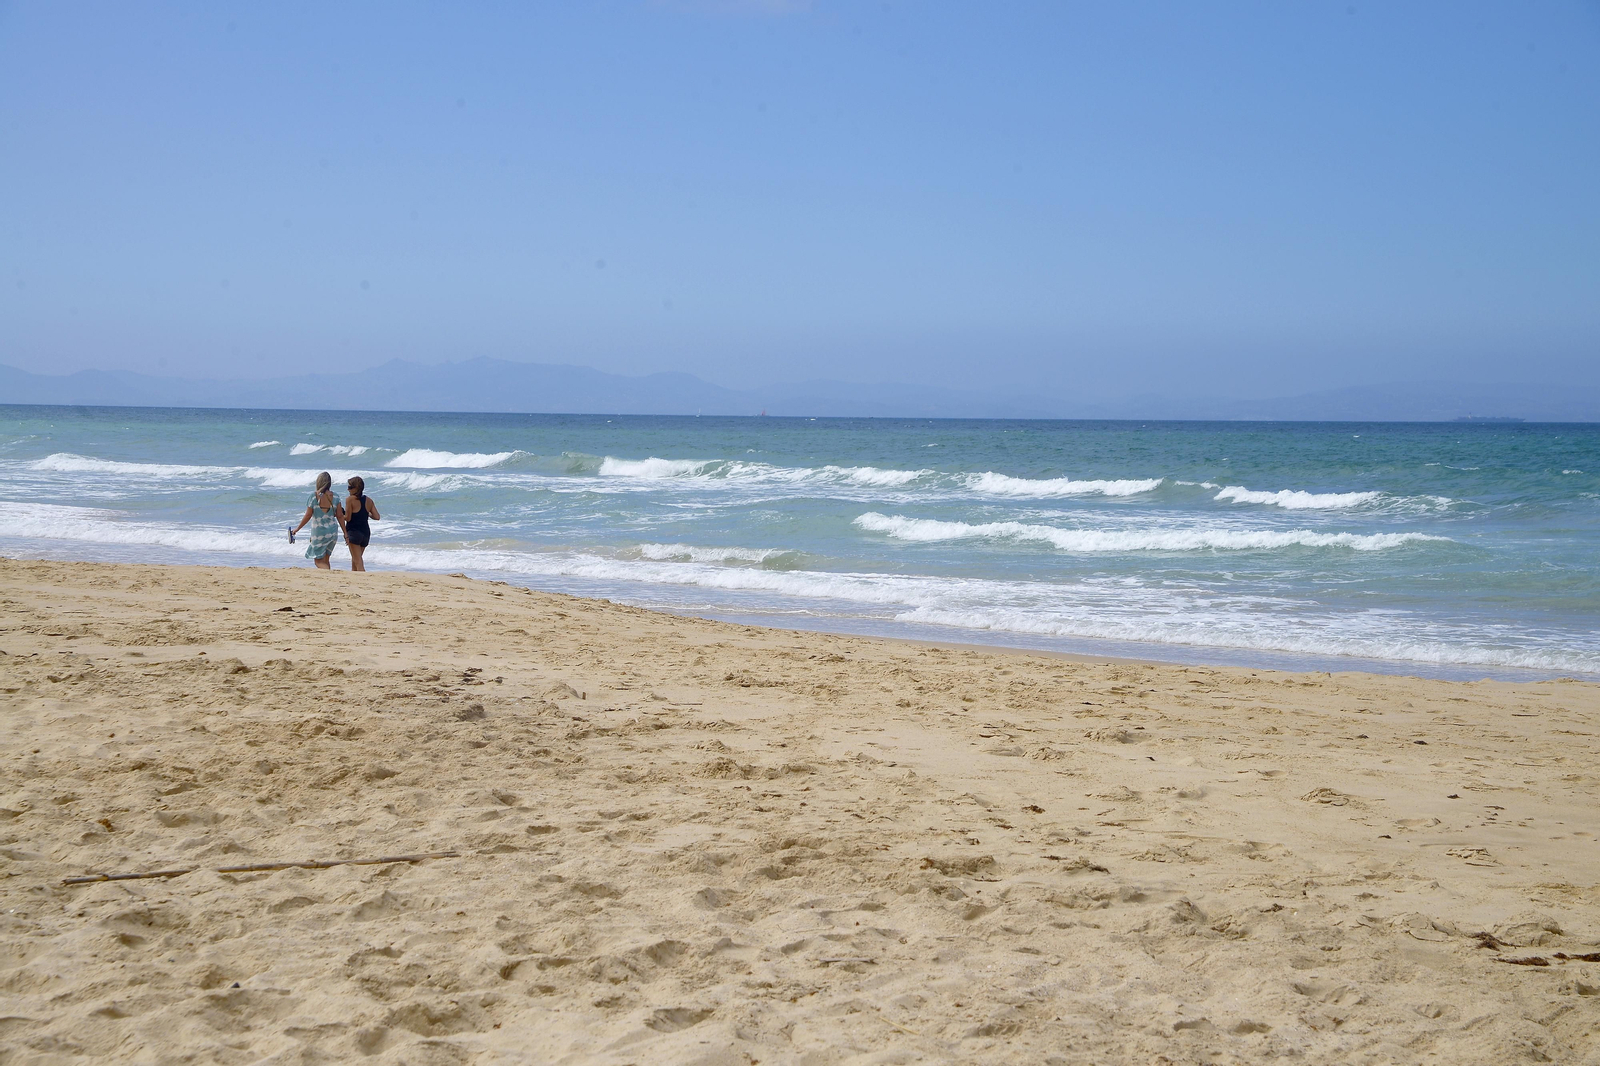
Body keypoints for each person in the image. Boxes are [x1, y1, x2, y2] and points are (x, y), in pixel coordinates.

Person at [290, 472, 344, 570]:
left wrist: (297, 529)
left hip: (319, 533)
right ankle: (329, 580)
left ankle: (328, 575)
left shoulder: (314, 496)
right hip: (333, 532)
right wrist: (345, 533)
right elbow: (340, 516)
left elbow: (308, 515)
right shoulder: (335, 496)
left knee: (318, 561)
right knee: (326, 560)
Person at [343, 475, 381, 572]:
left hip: (354, 532)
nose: (348, 489)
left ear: (356, 488)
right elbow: (377, 517)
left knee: (358, 561)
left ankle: (364, 580)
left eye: (350, 487)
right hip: (365, 533)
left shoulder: (350, 499)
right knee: (355, 560)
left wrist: (338, 515)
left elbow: (348, 518)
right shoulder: (369, 500)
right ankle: (355, 581)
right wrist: (367, 514)